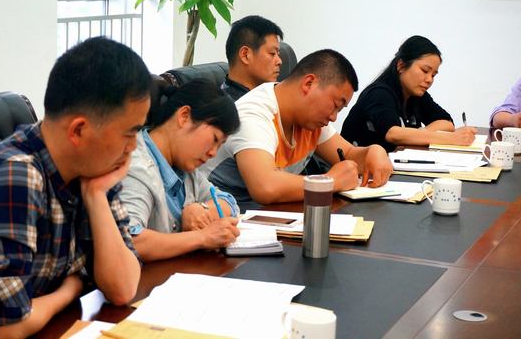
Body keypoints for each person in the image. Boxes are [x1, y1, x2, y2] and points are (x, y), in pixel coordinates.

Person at [0, 37, 150, 339]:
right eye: (130, 133)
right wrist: (70, 289)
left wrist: (96, 196)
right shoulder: (16, 174)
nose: (134, 146)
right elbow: (4, 328)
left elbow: (123, 289)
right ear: (79, 130)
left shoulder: (92, 170)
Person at [204, 49, 393, 210]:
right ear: (309, 83)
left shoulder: (309, 119)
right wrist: (329, 182)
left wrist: (374, 152)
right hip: (225, 220)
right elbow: (265, 186)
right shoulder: (254, 115)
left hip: (276, 217)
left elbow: (348, 153)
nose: (334, 117)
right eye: (335, 105)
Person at [118, 79, 241, 262]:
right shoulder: (135, 166)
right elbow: (127, 240)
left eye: (220, 145)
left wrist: (202, 210)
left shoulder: (185, 167)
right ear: (184, 116)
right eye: (214, 139)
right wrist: (202, 237)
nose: (213, 153)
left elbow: (228, 202)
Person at [341, 35, 477, 152]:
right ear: (401, 65)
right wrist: (450, 139)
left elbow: (447, 123)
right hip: (357, 169)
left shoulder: (418, 95)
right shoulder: (379, 93)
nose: (429, 80)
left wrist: (419, 134)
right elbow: (393, 133)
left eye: (433, 75)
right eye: (425, 71)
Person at [220, 15, 284, 101]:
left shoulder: (268, 96)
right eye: (272, 53)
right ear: (245, 55)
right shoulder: (233, 107)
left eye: (278, 54)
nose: (279, 61)